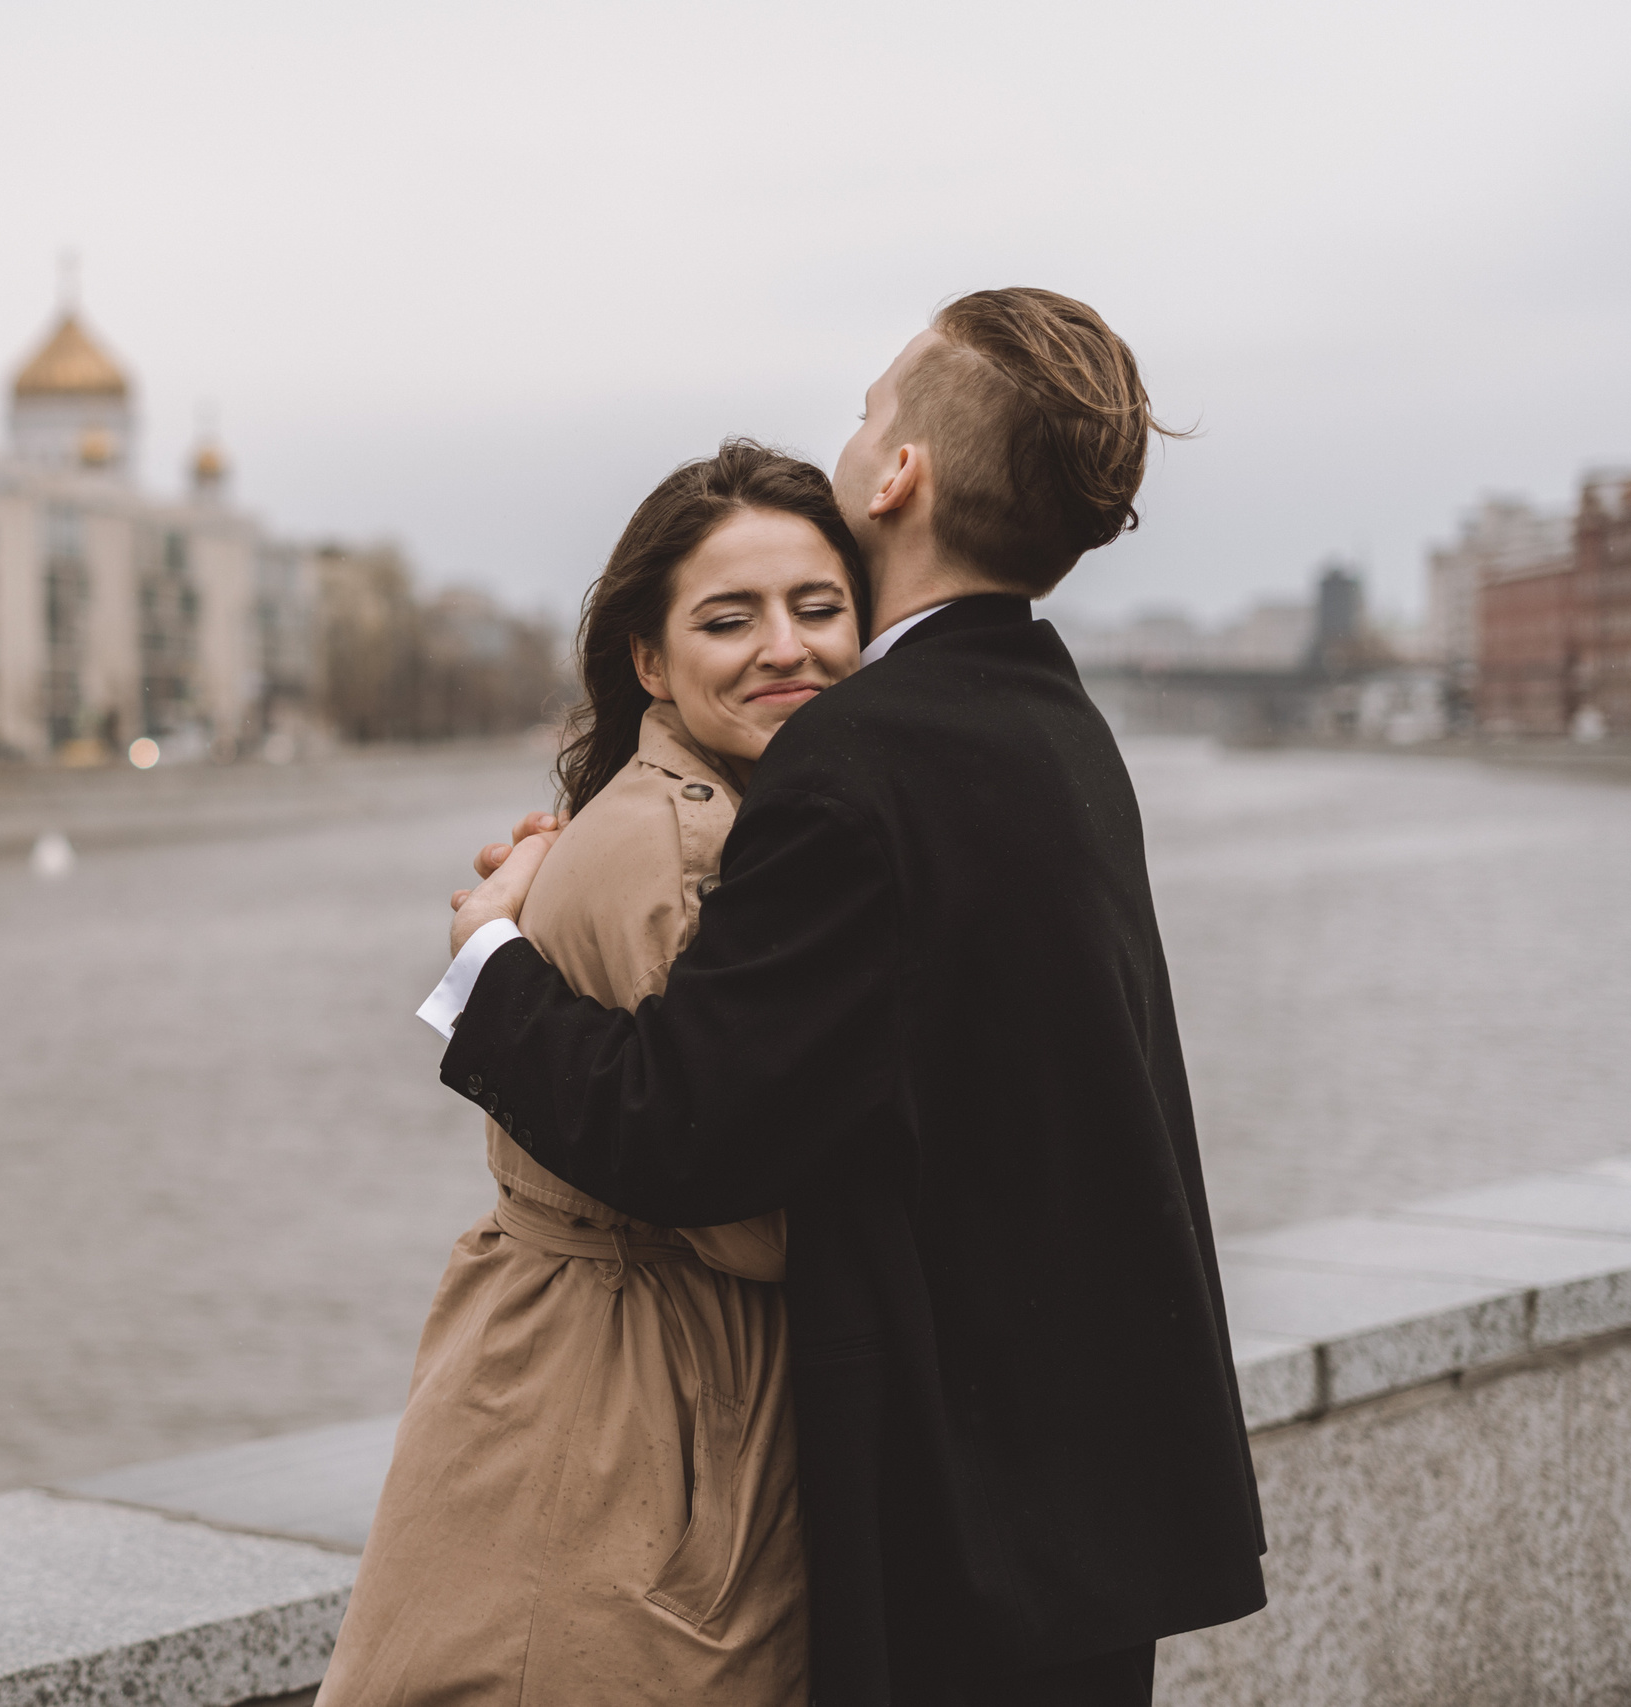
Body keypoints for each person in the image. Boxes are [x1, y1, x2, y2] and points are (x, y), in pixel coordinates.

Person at [425, 289, 1267, 1706]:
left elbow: (677, 1125)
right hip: (1098, 1497)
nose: (854, 433)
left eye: (872, 408)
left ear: (900, 475)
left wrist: (487, 962)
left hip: (970, 1526)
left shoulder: (858, 763)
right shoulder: (1052, 720)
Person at [318, 443, 869, 1706]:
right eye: (729, 619)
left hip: (604, 1376)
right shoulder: (690, 840)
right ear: (649, 659)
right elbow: (733, 1197)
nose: (784, 647)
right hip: (628, 1408)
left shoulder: (718, 808)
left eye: (819, 607)